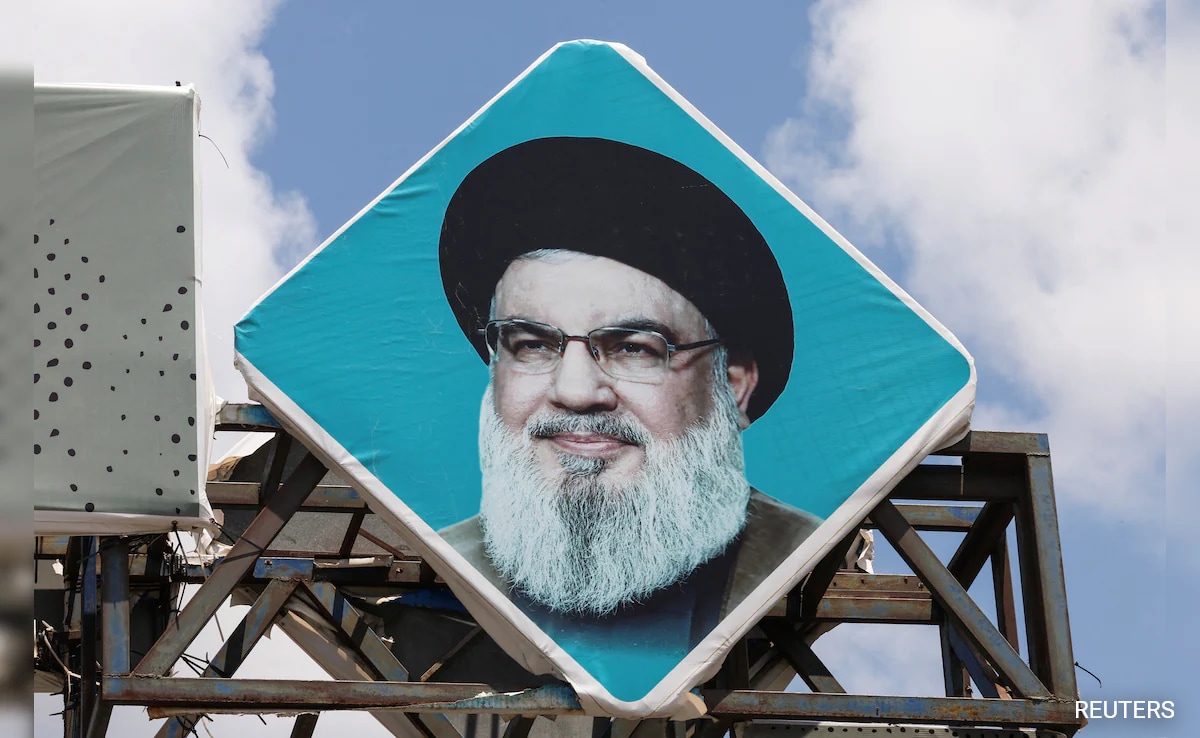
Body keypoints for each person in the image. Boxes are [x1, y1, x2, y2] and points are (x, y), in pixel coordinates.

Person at [437, 137, 822, 649]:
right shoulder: (438, 569)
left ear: (733, 385)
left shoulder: (805, 559)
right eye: (532, 344)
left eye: (634, 348)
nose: (575, 392)